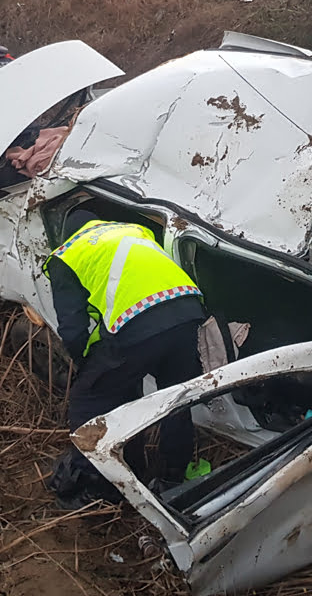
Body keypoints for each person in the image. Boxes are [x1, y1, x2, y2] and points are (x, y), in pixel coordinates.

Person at [44, 211, 207, 507]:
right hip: (187, 309)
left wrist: (86, 367)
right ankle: (172, 480)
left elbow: (72, 329)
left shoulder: (68, 253)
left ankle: (94, 488)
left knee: (88, 400)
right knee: (176, 400)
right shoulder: (134, 231)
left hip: (137, 321)